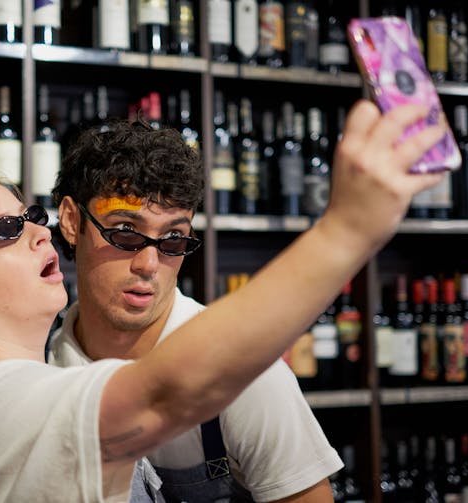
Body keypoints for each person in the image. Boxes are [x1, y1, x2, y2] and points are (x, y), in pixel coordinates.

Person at [0, 100, 445, 502]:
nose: (149, 263)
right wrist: (346, 232)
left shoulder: (26, 373)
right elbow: (162, 394)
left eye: (29, 217)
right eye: (4, 231)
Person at [47, 117, 338, 502]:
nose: (149, 264)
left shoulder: (241, 372)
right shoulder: (43, 369)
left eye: (172, 238)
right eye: (125, 232)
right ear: (71, 221)